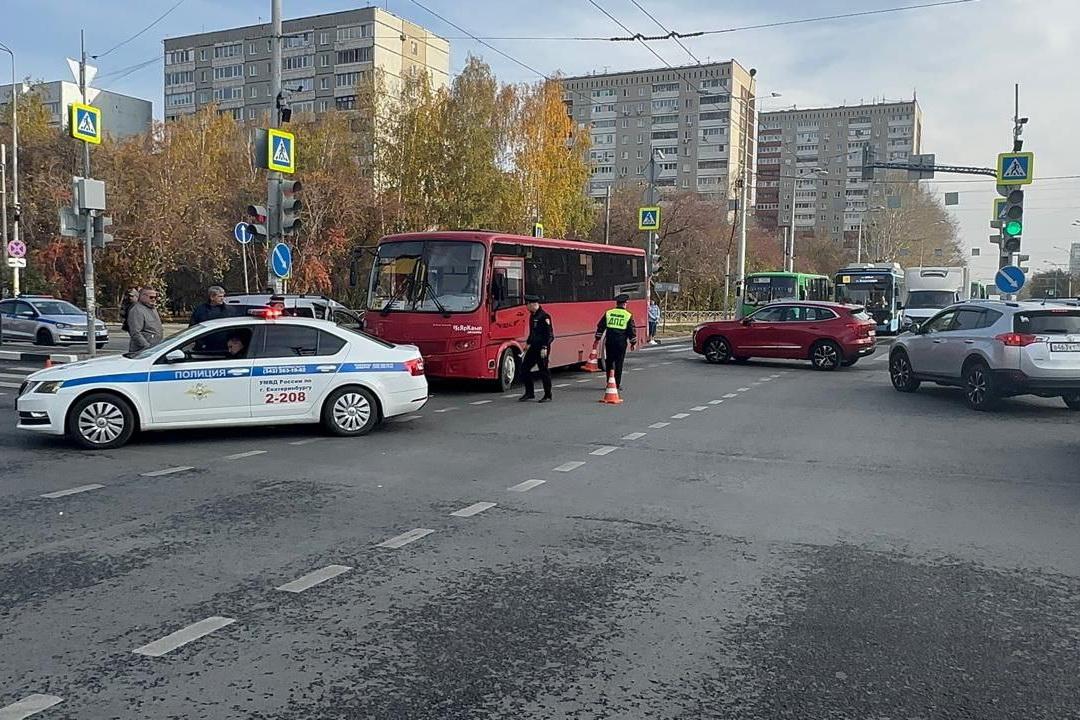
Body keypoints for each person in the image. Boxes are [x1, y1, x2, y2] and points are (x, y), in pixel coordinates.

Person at [595, 293, 637, 390]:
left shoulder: (609, 313)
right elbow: (631, 330)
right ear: (625, 304)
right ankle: (616, 384)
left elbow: (601, 326)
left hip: (609, 341)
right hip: (621, 343)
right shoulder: (628, 315)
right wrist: (633, 343)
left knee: (609, 362)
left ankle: (609, 382)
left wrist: (597, 339)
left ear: (617, 303)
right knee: (619, 363)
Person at [519, 294, 554, 403]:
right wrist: (528, 343)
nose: (526, 307)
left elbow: (549, 335)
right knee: (524, 368)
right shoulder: (532, 316)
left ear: (533, 304)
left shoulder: (544, 317)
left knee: (543, 370)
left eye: (527, 305)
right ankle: (530, 393)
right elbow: (533, 332)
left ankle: (548, 395)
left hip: (542, 348)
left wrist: (544, 347)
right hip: (533, 347)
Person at [127, 287, 164, 352]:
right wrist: (147, 347)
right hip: (142, 352)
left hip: (154, 349)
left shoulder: (152, 308)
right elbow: (135, 333)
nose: (154, 299)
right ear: (142, 296)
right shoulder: (137, 310)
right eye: (151, 297)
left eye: (155, 297)